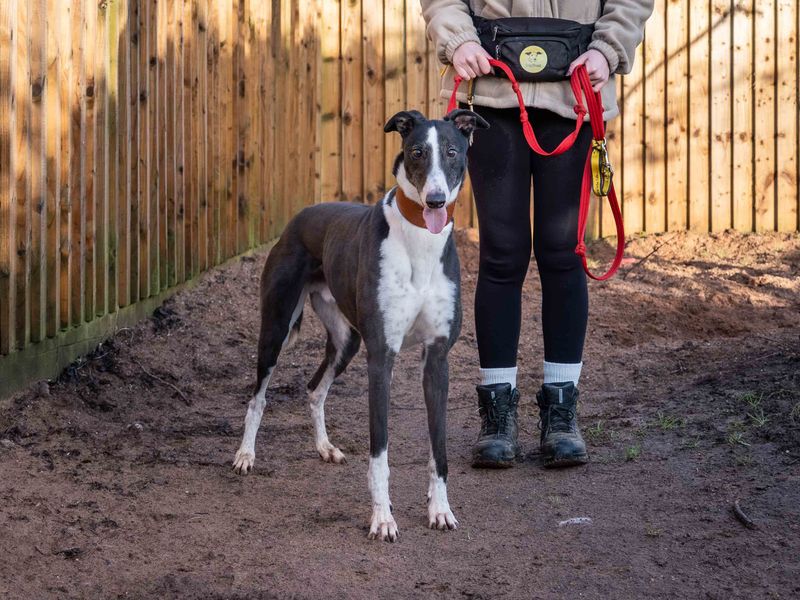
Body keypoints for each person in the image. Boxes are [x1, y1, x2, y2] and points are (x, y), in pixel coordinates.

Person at [420, 0, 654, 468]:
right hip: (488, 93)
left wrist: (607, 49)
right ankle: (497, 413)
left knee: (563, 252)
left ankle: (561, 412)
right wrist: (458, 37)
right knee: (502, 254)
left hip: (576, 91)